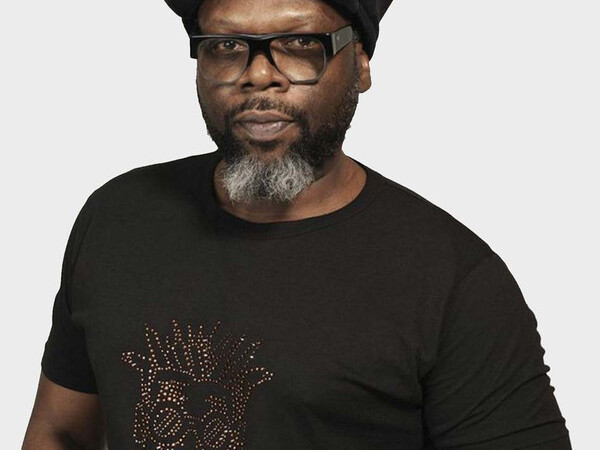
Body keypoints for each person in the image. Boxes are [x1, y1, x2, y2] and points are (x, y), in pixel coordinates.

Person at [22, 0, 572, 448]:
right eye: (226, 47)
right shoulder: (117, 218)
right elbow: (59, 433)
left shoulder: (453, 280)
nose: (259, 75)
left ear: (360, 64)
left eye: (300, 43)